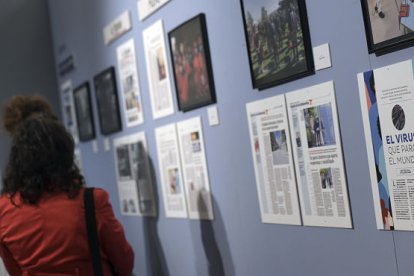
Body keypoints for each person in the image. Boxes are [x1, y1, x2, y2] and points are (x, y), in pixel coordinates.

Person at [0, 95, 134, 275]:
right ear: (64, 154)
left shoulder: (3, 211)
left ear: (17, 158)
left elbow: (15, 271)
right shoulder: (91, 201)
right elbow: (124, 262)